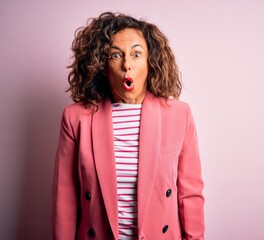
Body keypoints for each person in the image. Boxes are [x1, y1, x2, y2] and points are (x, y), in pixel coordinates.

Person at [51, 12, 205, 240]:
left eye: (136, 54)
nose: (127, 65)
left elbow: (190, 194)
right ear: (102, 65)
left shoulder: (179, 115)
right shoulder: (76, 118)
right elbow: (65, 198)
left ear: (150, 62)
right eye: (115, 55)